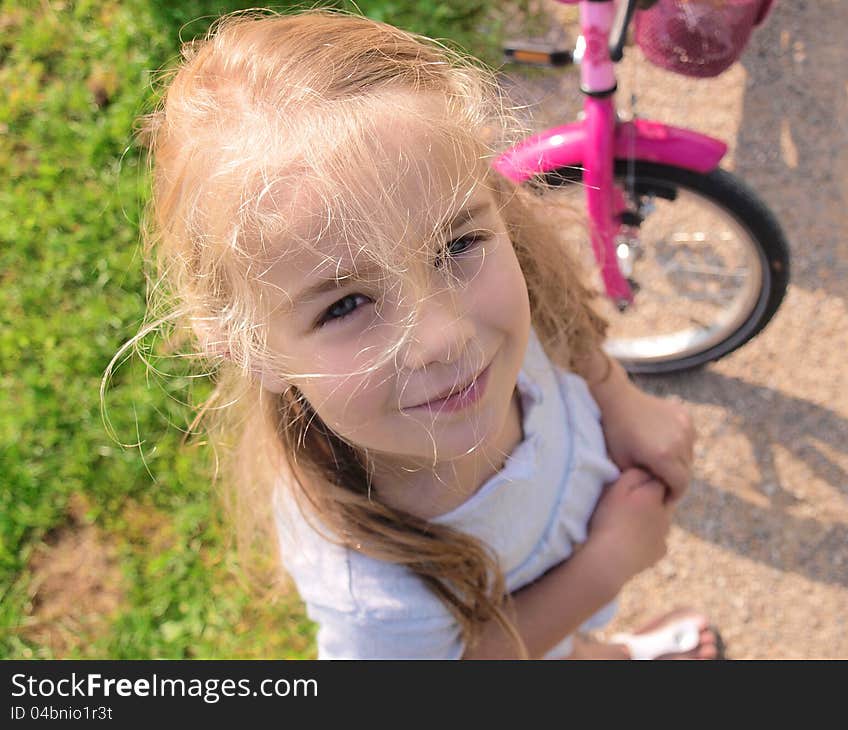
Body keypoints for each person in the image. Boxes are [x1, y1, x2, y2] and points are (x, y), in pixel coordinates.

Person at [129, 7, 723, 659]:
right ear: (250, 347)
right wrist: (604, 566)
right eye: (346, 304)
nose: (443, 337)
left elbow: (553, 306)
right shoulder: (370, 589)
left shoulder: (505, 291)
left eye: (457, 244)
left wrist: (619, 398)